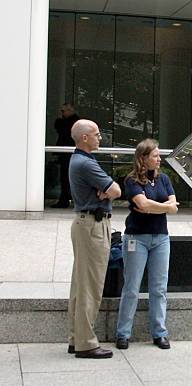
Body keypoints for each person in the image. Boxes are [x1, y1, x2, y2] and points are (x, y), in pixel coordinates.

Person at [115, 139, 179, 350]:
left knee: (159, 288)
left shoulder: (164, 179)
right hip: (136, 238)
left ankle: (159, 333)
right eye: (155, 156)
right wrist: (164, 207)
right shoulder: (132, 180)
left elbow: (174, 207)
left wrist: (155, 207)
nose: (159, 159)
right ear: (143, 158)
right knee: (132, 287)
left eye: (159, 156)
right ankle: (123, 334)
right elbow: (142, 204)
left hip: (161, 238)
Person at [68, 119, 121, 359]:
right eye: (97, 134)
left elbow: (110, 190)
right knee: (90, 286)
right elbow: (117, 190)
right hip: (93, 226)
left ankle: (76, 338)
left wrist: (106, 191)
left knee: (80, 286)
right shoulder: (85, 164)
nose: (101, 138)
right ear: (85, 138)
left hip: (86, 224)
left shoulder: (81, 161)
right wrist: (107, 191)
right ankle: (86, 343)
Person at [52, 103, 80, 208]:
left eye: (63, 111)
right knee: (65, 178)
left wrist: (59, 119)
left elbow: (60, 129)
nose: (62, 114)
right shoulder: (71, 122)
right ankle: (65, 199)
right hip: (67, 153)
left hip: (68, 154)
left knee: (66, 178)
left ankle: (64, 200)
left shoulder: (71, 122)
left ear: (70, 111)